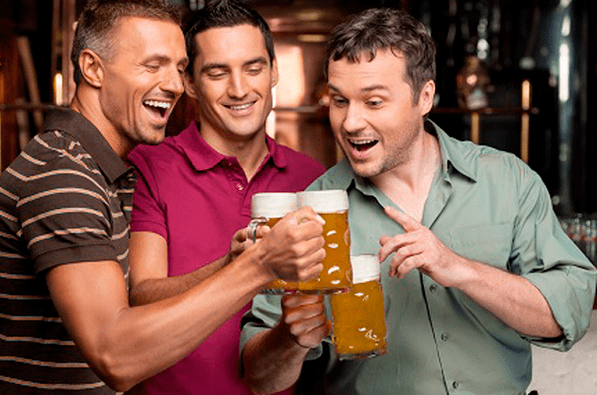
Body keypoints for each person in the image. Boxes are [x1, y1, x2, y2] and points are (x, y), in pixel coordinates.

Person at [0, 1, 326, 394]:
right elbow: (115, 355)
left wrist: (233, 264)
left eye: (178, 68)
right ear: (92, 68)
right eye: (152, 66)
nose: (171, 84)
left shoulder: (102, 171)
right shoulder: (62, 176)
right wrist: (259, 265)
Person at [240, 7, 597, 395]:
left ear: (424, 96)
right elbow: (259, 379)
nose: (350, 122)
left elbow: (567, 315)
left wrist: (459, 269)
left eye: (373, 102)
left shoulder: (507, 180)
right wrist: (288, 341)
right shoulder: (311, 213)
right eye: (339, 101)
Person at [126, 1, 325, 394]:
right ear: (190, 83)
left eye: (253, 69)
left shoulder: (312, 177)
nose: (239, 89)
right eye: (218, 73)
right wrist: (236, 266)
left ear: (274, 72)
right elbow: (141, 295)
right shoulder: (150, 166)